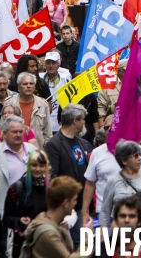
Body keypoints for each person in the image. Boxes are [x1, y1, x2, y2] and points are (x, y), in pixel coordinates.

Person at [81, 115, 141, 227]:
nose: (109, 130)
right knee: (106, 244)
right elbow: (90, 184)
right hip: (106, 214)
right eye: (106, 128)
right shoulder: (97, 153)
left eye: (113, 126)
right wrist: (84, 212)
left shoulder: (136, 149)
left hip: (133, 213)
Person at [44, 104, 90, 246]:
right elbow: (52, 177)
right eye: (82, 119)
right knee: (78, 245)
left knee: (86, 244)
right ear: (75, 121)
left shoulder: (81, 142)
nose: (84, 122)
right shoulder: (54, 144)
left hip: (83, 204)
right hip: (68, 206)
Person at [98, 140, 141, 228]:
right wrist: (103, 228)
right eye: (135, 156)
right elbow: (105, 210)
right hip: (123, 229)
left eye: (140, 154)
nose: (140, 158)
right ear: (124, 161)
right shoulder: (113, 181)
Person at [0, 116, 34, 216]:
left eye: (20, 131)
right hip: (5, 211)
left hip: (30, 210)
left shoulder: (33, 150)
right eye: (14, 132)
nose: (18, 135)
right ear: (4, 133)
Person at [3, 149, 50, 258]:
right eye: (34, 165)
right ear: (29, 166)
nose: (38, 169)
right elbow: (6, 219)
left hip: (46, 243)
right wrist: (19, 221)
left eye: (41, 165)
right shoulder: (16, 188)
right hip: (23, 246)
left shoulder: (51, 189)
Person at [23, 176, 83, 258]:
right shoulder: (48, 233)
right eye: (74, 200)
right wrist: (87, 238)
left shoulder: (53, 223)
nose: (75, 203)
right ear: (65, 203)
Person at [3, 72, 51, 149]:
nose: (28, 86)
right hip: (13, 149)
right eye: (25, 84)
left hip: (36, 150)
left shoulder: (43, 104)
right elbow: (2, 129)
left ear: (34, 87)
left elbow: (47, 132)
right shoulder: (9, 103)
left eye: (31, 84)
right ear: (19, 87)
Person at [40, 51, 71, 134]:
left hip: (60, 119)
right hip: (43, 118)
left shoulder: (66, 78)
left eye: (53, 63)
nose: (51, 66)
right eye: (48, 63)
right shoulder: (39, 78)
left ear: (58, 64)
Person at [97, 59, 127, 126]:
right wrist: (102, 128)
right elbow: (101, 108)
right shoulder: (107, 86)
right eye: (127, 70)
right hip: (113, 124)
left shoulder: (138, 83)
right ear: (119, 71)